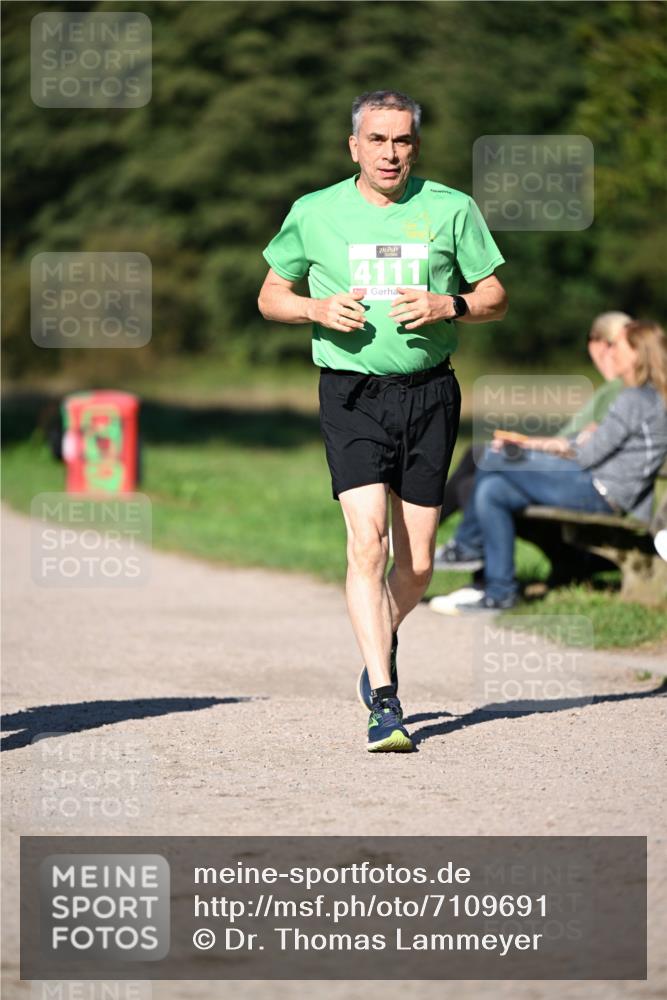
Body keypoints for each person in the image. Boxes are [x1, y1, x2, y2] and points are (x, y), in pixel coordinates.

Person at [258, 90, 508, 751]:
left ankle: (379, 636)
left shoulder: (451, 208)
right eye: (377, 140)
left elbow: (494, 296)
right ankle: (386, 700)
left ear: (414, 147)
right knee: (367, 546)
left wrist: (448, 304)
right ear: (354, 147)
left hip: (430, 394)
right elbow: (270, 296)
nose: (389, 153)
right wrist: (315, 310)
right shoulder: (313, 212)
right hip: (351, 396)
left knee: (418, 564)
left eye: (401, 140)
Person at [438, 320, 667, 613]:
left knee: (491, 457)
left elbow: (586, 455)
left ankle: (467, 546)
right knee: (493, 490)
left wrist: (543, 449)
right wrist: (536, 445)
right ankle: (500, 591)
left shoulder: (635, 399)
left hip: (601, 492)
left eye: (617, 347)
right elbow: (589, 447)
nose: (610, 353)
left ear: (636, 354)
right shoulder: (643, 396)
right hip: (595, 485)